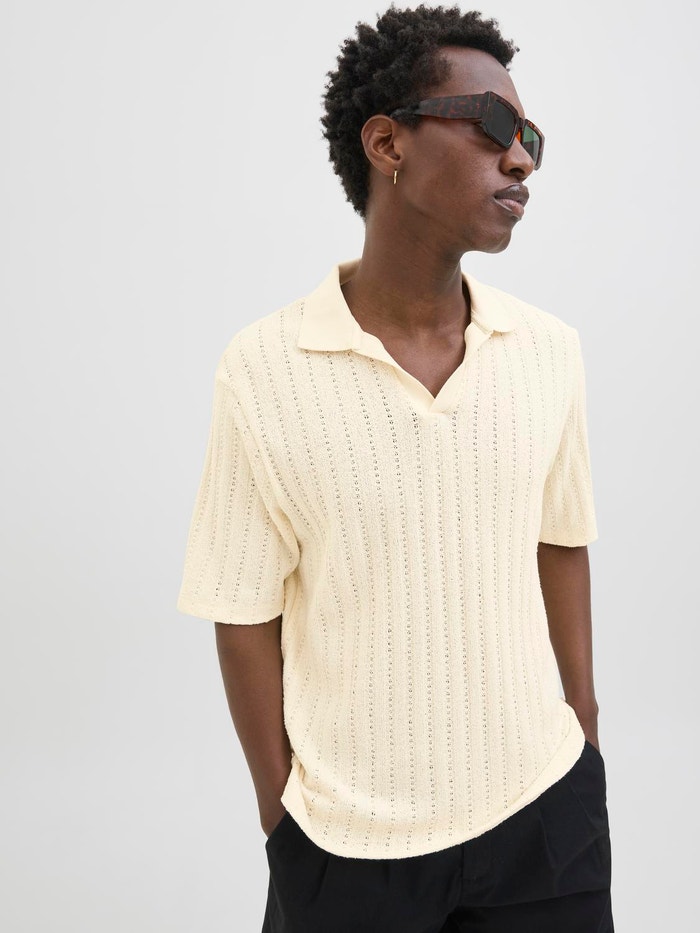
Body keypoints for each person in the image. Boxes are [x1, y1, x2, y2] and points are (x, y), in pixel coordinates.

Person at [176, 5, 614, 931]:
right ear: (387, 144)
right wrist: (283, 816)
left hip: (545, 819)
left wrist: (583, 731)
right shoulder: (264, 367)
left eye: (531, 138)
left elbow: (561, 541)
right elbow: (241, 607)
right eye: (494, 125)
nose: (521, 160)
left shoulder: (549, 351)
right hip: (345, 846)